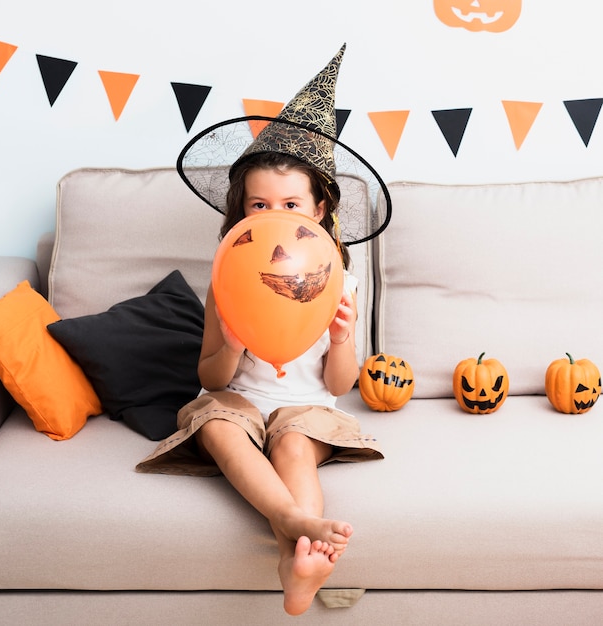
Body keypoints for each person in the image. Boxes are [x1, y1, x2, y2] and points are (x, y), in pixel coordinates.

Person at [137, 44, 391, 616]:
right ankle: (294, 529)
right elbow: (208, 375)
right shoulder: (228, 274)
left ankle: (294, 556)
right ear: (241, 210)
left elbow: (342, 383)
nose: (275, 214)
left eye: (292, 202)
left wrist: (344, 339)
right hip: (238, 399)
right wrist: (229, 343)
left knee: (295, 445)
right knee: (220, 425)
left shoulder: (340, 283)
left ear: (321, 207)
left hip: (307, 407)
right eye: (259, 204)